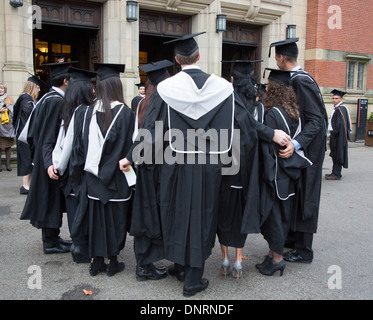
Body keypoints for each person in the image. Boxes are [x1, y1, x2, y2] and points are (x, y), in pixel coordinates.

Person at [120, 32, 260, 297]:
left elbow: (150, 131)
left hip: (175, 165)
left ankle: (183, 269)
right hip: (210, 166)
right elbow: (244, 126)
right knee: (204, 215)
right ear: (199, 56)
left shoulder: (166, 89)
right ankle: (190, 275)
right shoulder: (223, 88)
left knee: (178, 214)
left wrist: (132, 156)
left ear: (176, 60)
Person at [269, 38, 328, 263]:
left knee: (306, 195)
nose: (277, 60)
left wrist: (296, 143)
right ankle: (293, 240)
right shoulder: (302, 78)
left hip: (309, 152)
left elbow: (316, 121)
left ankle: (304, 250)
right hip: (306, 150)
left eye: (277, 57)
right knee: (299, 193)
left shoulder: (301, 81)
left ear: (282, 58)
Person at [78, 62, 134, 277]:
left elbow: (81, 146)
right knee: (115, 220)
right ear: (117, 86)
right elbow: (131, 146)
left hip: (93, 178)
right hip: (118, 178)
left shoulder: (88, 113)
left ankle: (96, 262)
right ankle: (113, 261)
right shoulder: (126, 114)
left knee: (97, 221)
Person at [257, 69, 312, 276]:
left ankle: (278, 259)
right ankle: (272, 254)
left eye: (269, 86)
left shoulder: (273, 114)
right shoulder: (294, 111)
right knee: (282, 216)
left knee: (274, 217)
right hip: (290, 175)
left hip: (276, 175)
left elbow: (267, 149)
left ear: (274, 89)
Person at [20, 61, 74, 255]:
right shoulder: (55, 101)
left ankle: (53, 238)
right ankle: (51, 241)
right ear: (66, 81)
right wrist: (50, 162)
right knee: (50, 200)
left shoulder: (45, 98)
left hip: (43, 157)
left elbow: (32, 134)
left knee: (49, 199)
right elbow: (51, 136)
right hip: (50, 159)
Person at [127, 60, 173, 282]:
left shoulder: (143, 103)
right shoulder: (160, 101)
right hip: (152, 167)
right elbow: (151, 136)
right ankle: (144, 267)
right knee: (148, 215)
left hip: (144, 165)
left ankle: (145, 264)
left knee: (146, 214)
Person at [217, 60, 262, 279]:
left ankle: (224, 258)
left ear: (232, 80)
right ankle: (238, 261)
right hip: (249, 172)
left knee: (224, 214)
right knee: (242, 215)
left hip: (227, 169)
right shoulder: (259, 107)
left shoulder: (227, 103)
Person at [52, 67, 97, 263]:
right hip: (85, 170)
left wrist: (58, 166)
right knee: (86, 210)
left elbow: (62, 144)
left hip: (71, 171)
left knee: (73, 209)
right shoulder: (90, 110)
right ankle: (85, 247)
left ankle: (78, 246)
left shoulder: (68, 109)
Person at [12, 75, 44, 193]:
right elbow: (28, 118)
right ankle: (25, 186)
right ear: (32, 87)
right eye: (37, 87)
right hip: (25, 136)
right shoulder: (27, 101)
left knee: (28, 158)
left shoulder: (24, 99)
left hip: (23, 134)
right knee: (27, 159)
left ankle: (28, 184)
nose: (39, 90)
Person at [325, 89, 351, 180]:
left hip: (338, 137)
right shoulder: (337, 109)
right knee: (335, 154)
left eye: (336, 98)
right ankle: (334, 172)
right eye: (333, 98)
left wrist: (334, 135)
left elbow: (340, 125)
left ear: (341, 99)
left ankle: (336, 174)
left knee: (338, 155)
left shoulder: (340, 109)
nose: (334, 100)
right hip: (336, 136)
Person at [0, 82, 15, 172]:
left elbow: (13, 111)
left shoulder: (9, 98)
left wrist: (6, 109)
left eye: (2, 88)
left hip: (6, 126)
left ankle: (8, 164)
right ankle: (0, 165)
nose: (0, 90)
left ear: (4, 90)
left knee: (8, 146)